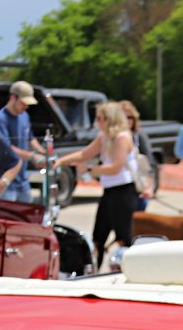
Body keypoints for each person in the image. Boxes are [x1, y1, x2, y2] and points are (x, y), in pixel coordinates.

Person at [56, 101, 136, 257]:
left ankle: (124, 270)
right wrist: (61, 161)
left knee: (123, 238)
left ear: (109, 119)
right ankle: (94, 268)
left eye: (99, 118)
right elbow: (84, 154)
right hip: (109, 191)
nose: (96, 122)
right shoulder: (104, 137)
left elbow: (115, 167)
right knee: (99, 234)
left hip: (123, 192)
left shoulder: (122, 137)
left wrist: (90, 170)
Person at [0, 80, 46, 203]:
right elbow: (6, 147)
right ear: (13, 98)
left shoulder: (24, 116)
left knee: (26, 218)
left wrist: (42, 151)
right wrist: (32, 156)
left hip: (23, 181)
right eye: (23, 103)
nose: (26, 106)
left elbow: (30, 137)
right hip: (6, 181)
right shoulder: (0, 120)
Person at [118, 100, 155, 209]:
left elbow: (150, 163)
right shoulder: (112, 137)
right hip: (119, 188)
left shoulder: (139, 136)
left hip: (138, 186)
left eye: (131, 117)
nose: (128, 121)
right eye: (124, 117)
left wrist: (149, 187)